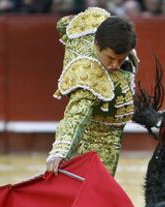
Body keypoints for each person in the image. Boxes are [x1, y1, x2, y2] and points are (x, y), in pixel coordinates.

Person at [46, 7, 139, 177]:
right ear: (97, 44)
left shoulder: (94, 24)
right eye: (110, 58)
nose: (115, 66)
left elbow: (64, 24)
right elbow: (76, 116)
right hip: (94, 138)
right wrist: (60, 150)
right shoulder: (88, 74)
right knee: (93, 191)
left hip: (112, 133)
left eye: (121, 59)